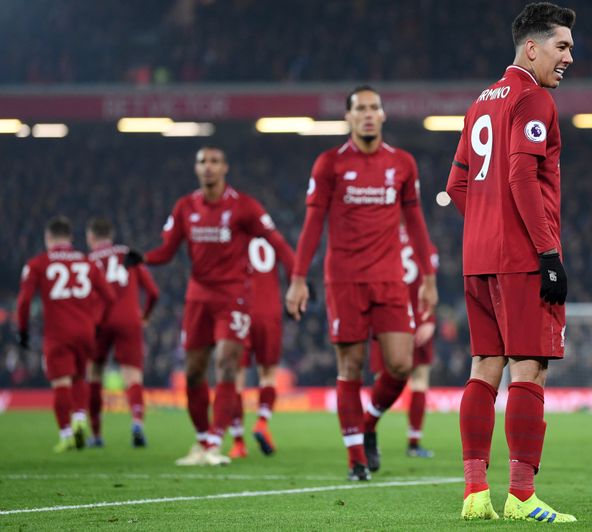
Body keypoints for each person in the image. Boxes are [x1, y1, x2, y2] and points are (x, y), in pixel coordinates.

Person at [445, 2, 576, 523]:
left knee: (484, 368)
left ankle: (475, 494)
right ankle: (522, 497)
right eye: (562, 46)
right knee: (530, 368)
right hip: (522, 257)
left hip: (477, 256)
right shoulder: (534, 98)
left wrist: (485, 223)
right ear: (532, 47)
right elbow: (523, 177)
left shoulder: (481, 102)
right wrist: (546, 253)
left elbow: (456, 185)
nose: (569, 56)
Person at [286, 85, 438, 482]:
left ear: (383, 115)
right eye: (360, 109)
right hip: (345, 279)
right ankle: (356, 458)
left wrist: (428, 276)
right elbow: (312, 224)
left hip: (389, 278)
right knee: (350, 366)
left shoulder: (402, 163)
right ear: (349, 118)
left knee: (402, 364)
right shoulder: (329, 164)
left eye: (374, 108)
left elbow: (416, 223)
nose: (368, 114)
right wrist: (298, 279)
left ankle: (369, 421)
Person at [126, 146, 293, 466]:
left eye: (214, 162)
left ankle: (217, 441)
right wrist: (144, 257)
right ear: (196, 168)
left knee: (228, 364)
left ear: (225, 168)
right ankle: (203, 440)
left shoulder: (244, 206)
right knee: (192, 374)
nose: (208, 167)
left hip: (234, 297)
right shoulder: (185, 207)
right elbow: (167, 250)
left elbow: (279, 243)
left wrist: (296, 279)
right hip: (198, 298)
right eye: (202, 162)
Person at [16, 216, 115, 452]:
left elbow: (24, 301)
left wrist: (23, 330)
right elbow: (110, 297)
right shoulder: (88, 263)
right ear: (70, 238)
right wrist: (96, 321)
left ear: (48, 238)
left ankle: (66, 434)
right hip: (85, 331)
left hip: (57, 333)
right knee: (80, 378)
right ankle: (80, 420)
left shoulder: (37, 264)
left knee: (61, 382)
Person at [365, 224, 439, 459]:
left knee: (382, 379)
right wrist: (429, 318)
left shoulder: (379, 236)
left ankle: (370, 436)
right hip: (418, 317)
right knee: (419, 379)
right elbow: (429, 284)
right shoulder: (425, 244)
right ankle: (414, 443)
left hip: (387, 315)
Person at [86, 217, 160, 448]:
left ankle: (97, 434)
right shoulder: (129, 255)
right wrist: (145, 315)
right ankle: (137, 422)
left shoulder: (89, 261)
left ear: (91, 237)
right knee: (133, 376)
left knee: (95, 373)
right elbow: (153, 292)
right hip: (129, 320)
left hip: (99, 321)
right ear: (111, 234)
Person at [228, 235, 294, 459]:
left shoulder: (233, 237)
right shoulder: (273, 238)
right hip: (269, 313)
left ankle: (238, 442)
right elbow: (292, 263)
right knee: (268, 375)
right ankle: (262, 422)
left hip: (241, 310)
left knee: (236, 378)